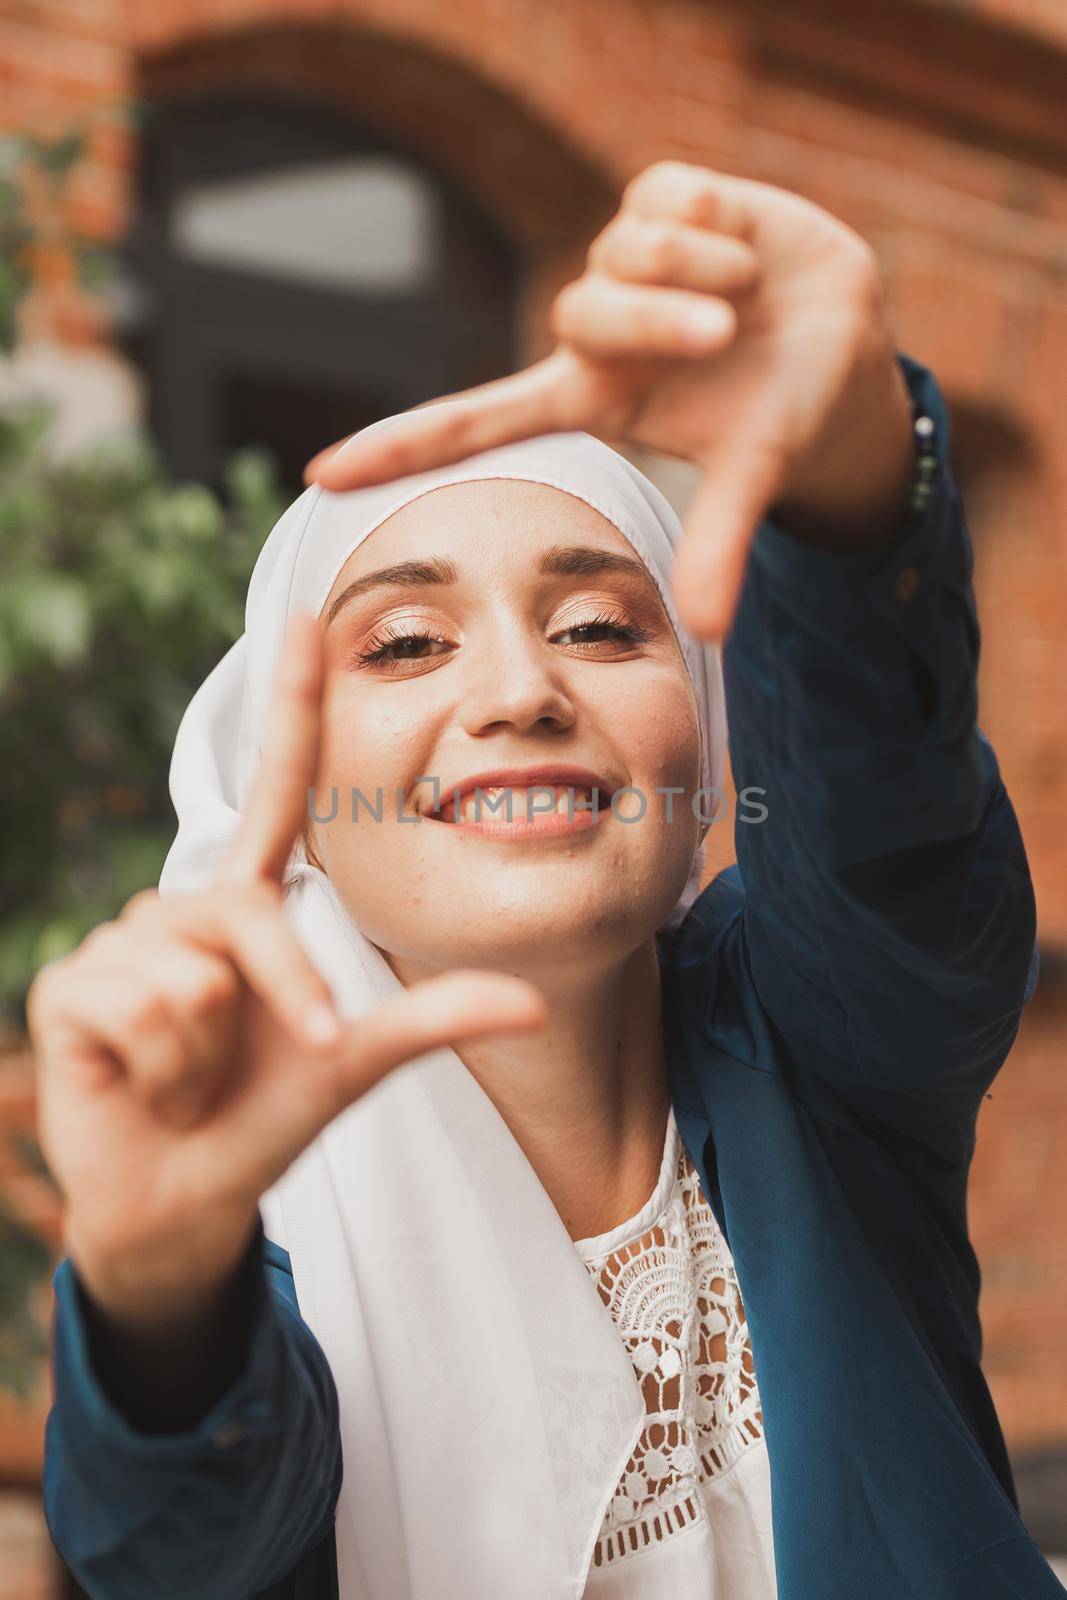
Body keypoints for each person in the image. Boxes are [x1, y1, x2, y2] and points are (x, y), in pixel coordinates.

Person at [29, 162, 1063, 1599]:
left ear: (708, 745)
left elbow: (891, 825)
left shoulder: (825, 1039)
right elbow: (187, 1551)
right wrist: (156, 1290)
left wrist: (844, 480)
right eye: (403, 645)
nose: (518, 690)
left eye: (596, 624)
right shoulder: (252, 1184)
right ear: (290, 799)